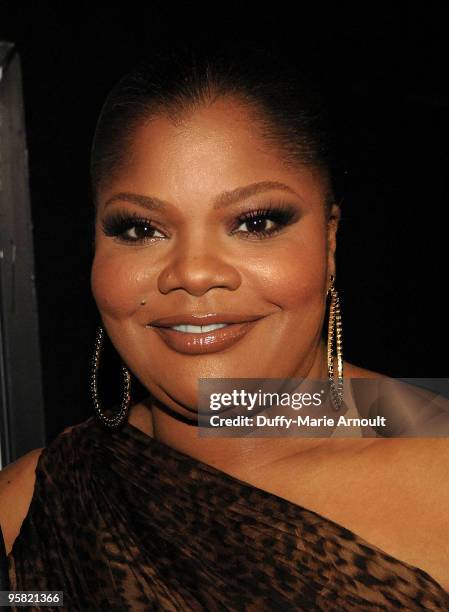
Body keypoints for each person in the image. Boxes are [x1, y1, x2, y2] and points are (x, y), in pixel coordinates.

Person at [1, 44, 449, 611]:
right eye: (141, 230)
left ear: (330, 240)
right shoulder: (28, 509)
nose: (192, 273)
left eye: (255, 222)